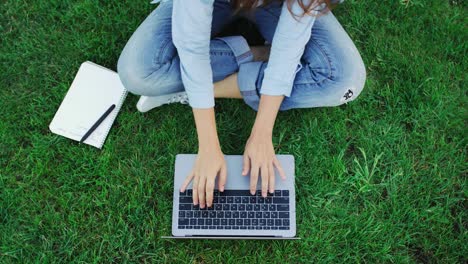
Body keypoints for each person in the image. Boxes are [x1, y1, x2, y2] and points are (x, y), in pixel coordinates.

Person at [117, 0, 366, 209]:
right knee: (138, 73)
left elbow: (291, 42)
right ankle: (256, 54)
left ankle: (196, 90)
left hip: (280, 5)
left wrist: (261, 134)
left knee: (345, 81)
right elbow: (192, 49)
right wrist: (208, 146)